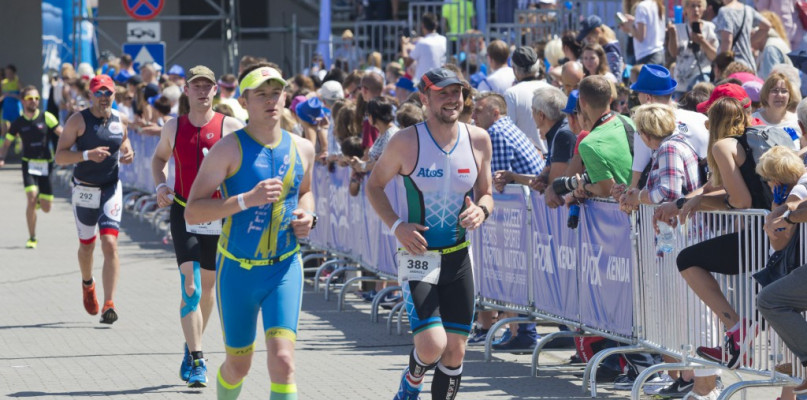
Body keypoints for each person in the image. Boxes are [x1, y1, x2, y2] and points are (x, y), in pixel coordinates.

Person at [184, 63, 316, 400]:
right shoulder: (228, 149)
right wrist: (245, 200)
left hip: (285, 268)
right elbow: (194, 209)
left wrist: (308, 216)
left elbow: (305, 192)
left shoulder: (303, 147)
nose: (272, 101)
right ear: (245, 101)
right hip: (238, 271)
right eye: (262, 95)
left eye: (277, 93)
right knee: (238, 366)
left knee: (284, 362)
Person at [365, 67, 493, 400]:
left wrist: (482, 210)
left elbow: (487, 193)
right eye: (443, 93)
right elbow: (374, 186)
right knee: (432, 344)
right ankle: (412, 378)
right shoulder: (405, 141)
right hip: (419, 256)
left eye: (458, 92)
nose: (453, 100)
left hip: (459, 258)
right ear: (425, 99)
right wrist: (397, 226)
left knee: (455, 352)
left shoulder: (478, 139)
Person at [151, 65, 244, 387]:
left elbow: (245, 168)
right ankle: (199, 359)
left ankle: (191, 344)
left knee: (207, 289)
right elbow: (158, 160)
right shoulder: (173, 127)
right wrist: (161, 186)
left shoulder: (230, 127)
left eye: (208, 86)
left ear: (216, 90)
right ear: (186, 91)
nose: (202, 91)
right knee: (189, 285)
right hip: (185, 212)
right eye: (196, 86)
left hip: (218, 214)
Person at [55, 74, 135, 325]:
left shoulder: (119, 118)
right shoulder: (78, 120)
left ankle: (109, 303)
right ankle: (88, 284)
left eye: (108, 93)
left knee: (110, 243)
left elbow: (124, 138)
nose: (104, 98)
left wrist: (127, 150)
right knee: (87, 245)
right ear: (90, 95)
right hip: (85, 190)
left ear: (114, 95)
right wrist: (87, 154)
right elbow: (60, 157)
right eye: (99, 93)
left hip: (111, 188)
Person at [625, 65, 709, 192]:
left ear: (648, 97)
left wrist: (630, 197)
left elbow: (637, 180)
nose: (638, 98)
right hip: (707, 202)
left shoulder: (648, 126)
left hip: (673, 206)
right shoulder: (700, 118)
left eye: (639, 93)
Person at [0, 85, 63, 248]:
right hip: (28, 163)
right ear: (23, 101)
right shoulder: (18, 123)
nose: (34, 101)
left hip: (46, 164)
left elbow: (62, 134)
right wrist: (1, 157)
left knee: (47, 207)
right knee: (31, 198)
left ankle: (39, 201)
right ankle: (32, 237)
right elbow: (7, 143)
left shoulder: (46, 117)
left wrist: (77, 141)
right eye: (30, 98)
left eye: (36, 98)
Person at [573, 75, 633, 199]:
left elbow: (606, 189)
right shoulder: (627, 120)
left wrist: (584, 186)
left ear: (582, 102)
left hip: (626, 213)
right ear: (610, 99)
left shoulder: (588, 144)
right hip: (648, 204)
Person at [504, 46, 551, 153]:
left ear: (515, 69)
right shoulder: (552, 89)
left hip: (527, 160)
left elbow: (508, 132)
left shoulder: (511, 93)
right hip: (554, 159)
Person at [667, 0, 718, 97]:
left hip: (701, 81)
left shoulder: (710, 28)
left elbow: (714, 56)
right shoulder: (678, 28)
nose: (696, 9)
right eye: (692, 6)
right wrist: (672, 35)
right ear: (685, 10)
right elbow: (673, 53)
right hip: (681, 84)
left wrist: (702, 41)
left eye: (699, 6)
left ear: (704, 9)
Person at [711, 0, 771, 74]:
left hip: (732, 67)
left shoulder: (725, 11)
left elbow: (727, 41)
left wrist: (721, 67)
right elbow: (766, 26)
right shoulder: (748, 10)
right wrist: (747, 43)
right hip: (749, 65)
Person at [751, 73, 802, 148]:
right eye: (775, 91)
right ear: (766, 94)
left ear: (789, 95)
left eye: (784, 91)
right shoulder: (753, 120)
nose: (780, 95)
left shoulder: (797, 121)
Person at [402, 13, 447, 85]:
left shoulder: (422, 43)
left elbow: (407, 63)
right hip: (440, 82)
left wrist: (403, 45)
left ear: (422, 25)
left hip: (423, 85)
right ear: (436, 25)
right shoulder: (444, 40)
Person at [619, 0, 666, 64]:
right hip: (659, 53)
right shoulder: (656, 5)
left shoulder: (641, 7)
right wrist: (633, 25)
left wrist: (630, 26)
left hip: (647, 56)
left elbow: (640, 37)